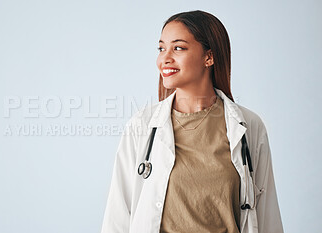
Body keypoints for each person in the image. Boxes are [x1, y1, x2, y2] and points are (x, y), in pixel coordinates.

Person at [101, 10, 284, 233]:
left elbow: (268, 217)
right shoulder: (141, 126)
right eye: (161, 48)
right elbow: (118, 216)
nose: (164, 58)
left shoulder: (249, 127)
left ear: (209, 57)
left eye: (178, 48)